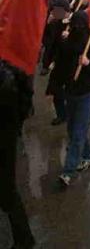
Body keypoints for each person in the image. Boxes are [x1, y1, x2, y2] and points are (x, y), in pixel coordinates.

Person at [48, 11, 90, 186]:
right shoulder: (67, 43)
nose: (76, 29)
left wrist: (89, 64)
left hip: (86, 94)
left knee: (77, 133)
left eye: (78, 26)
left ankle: (68, 171)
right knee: (73, 129)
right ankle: (88, 155)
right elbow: (60, 63)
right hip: (70, 92)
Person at [0, 61, 36, 249]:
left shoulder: (7, 74)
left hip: (4, 137)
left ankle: (24, 239)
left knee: (7, 192)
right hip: (9, 132)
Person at [41, 0, 71, 126]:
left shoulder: (73, 23)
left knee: (67, 93)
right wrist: (46, 25)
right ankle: (61, 115)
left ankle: (70, 114)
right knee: (56, 92)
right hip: (56, 64)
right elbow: (48, 42)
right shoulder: (54, 23)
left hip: (68, 64)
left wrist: (70, 36)